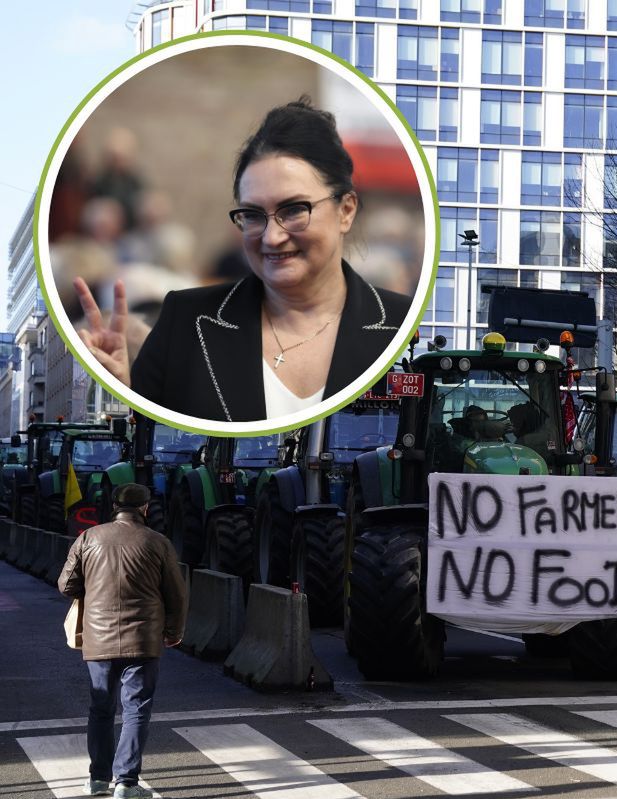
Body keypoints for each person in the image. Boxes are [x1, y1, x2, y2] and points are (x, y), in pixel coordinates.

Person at [75, 97, 413, 422]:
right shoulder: (186, 321)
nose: (271, 236)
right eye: (253, 215)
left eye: (294, 209)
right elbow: (151, 446)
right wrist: (123, 392)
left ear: (346, 211)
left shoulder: (401, 323)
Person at [57, 483, 188, 799]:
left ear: (113, 506)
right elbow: (177, 594)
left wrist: (96, 591)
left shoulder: (88, 538)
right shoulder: (158, 543)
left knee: (101, 707)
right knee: (136, 709)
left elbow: (66, 585)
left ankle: (98, 778)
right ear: (145, 508)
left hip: (98, 639)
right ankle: (127, 783)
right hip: (143, 640)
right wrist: (174, 631)